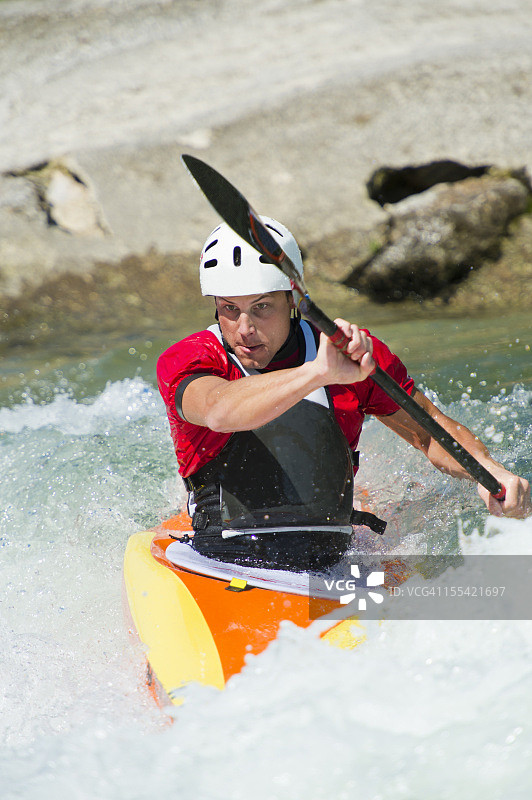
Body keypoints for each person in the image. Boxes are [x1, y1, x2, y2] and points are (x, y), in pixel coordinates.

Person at [157, 217, 531, 572]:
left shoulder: (349, 356)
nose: (245, 329)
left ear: (293, 300)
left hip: (331, 562)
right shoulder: (190, 359)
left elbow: (429, 431)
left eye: (262, 307)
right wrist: (318, 373)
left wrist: (487, 473)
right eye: (229, 309)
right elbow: (219, 409)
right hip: (223, 559)